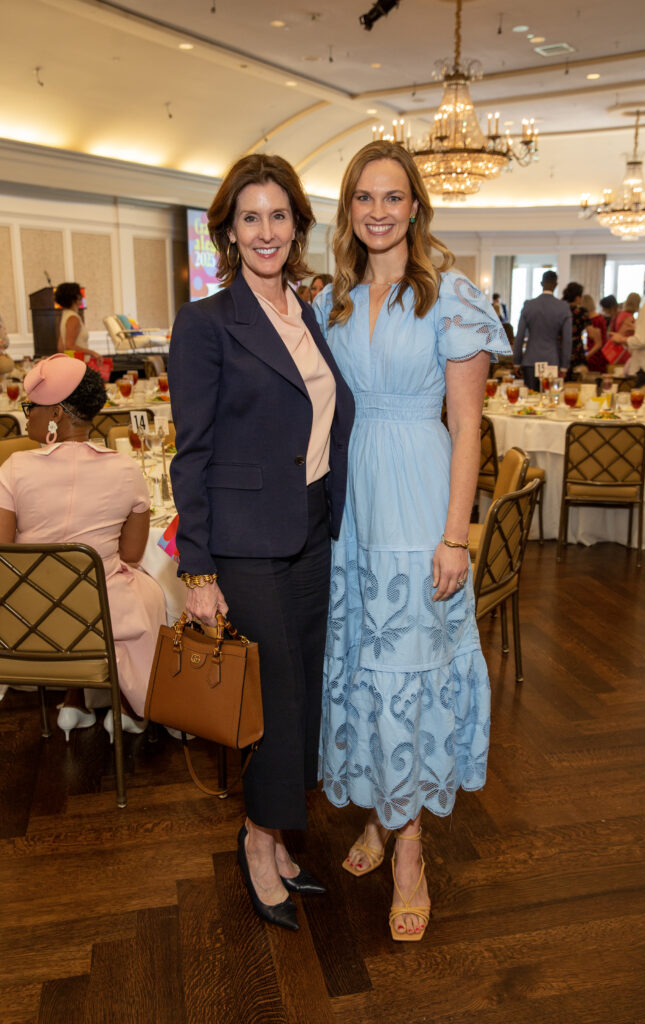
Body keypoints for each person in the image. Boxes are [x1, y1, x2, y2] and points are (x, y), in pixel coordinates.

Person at [313, 140, 510, 942]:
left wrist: (455, 535)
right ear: (348, 209)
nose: (378, 212)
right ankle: (376, 815)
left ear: (416, 206)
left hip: (419, 491)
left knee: (412, 669)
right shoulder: (331, 296)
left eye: (392, 198)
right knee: (361, 660)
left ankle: (410, 853)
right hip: (348, 499)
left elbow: (466, 425)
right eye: (364, 198)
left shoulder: (450, 296)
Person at [168, 154, 354, 933]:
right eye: (250, 217)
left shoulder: (308, 313)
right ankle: (255, 839)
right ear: (228, 231)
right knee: (270, 699)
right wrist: (198, 568)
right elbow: (193, 450)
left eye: (279, 216)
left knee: (301, 692)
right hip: (246, 544)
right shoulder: (207, 323)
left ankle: (275, 836)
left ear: (298, 228)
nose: (266, 231)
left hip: (312, 529)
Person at [0, 354, 166, 738]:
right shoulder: (126, 469)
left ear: (56, 412)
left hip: (26, 624)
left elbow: (4, 556)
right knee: (146, 590)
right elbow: (132, 554)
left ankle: (74, 700)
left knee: (65, 591)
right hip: (102, 621)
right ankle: (127, 704)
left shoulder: (13, 469)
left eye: (32, 408)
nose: (27, 416)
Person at [513, 270, 572, 390]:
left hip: (530, 360)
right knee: (549, 399)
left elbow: (519, 337)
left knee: (530, 399)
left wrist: (517, 362)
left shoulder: (529, 305)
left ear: (541, 284)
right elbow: (567, 340)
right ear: (555, 285)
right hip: (552, 360)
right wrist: (564, 366)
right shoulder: (563, 307)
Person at [55, 282, 101, 362]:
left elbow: (60, 346)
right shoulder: (73, 318)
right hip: (79, 363)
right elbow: (69, 345)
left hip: (72, 363)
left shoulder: (65, 315)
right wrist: (92, 352)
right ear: (76, 297)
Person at [561, 281, 588, 379]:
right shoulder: (581, 312)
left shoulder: (559, 309)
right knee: (576, 381)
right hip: (576, 348)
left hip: (560, 347)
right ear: (577, 297)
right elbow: (591, 332)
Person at [582, 294, 607, 373]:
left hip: (595, 357)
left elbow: (598, 344)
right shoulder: (599, 317)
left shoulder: (594, 320)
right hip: (598, 355)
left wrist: (586, 356)